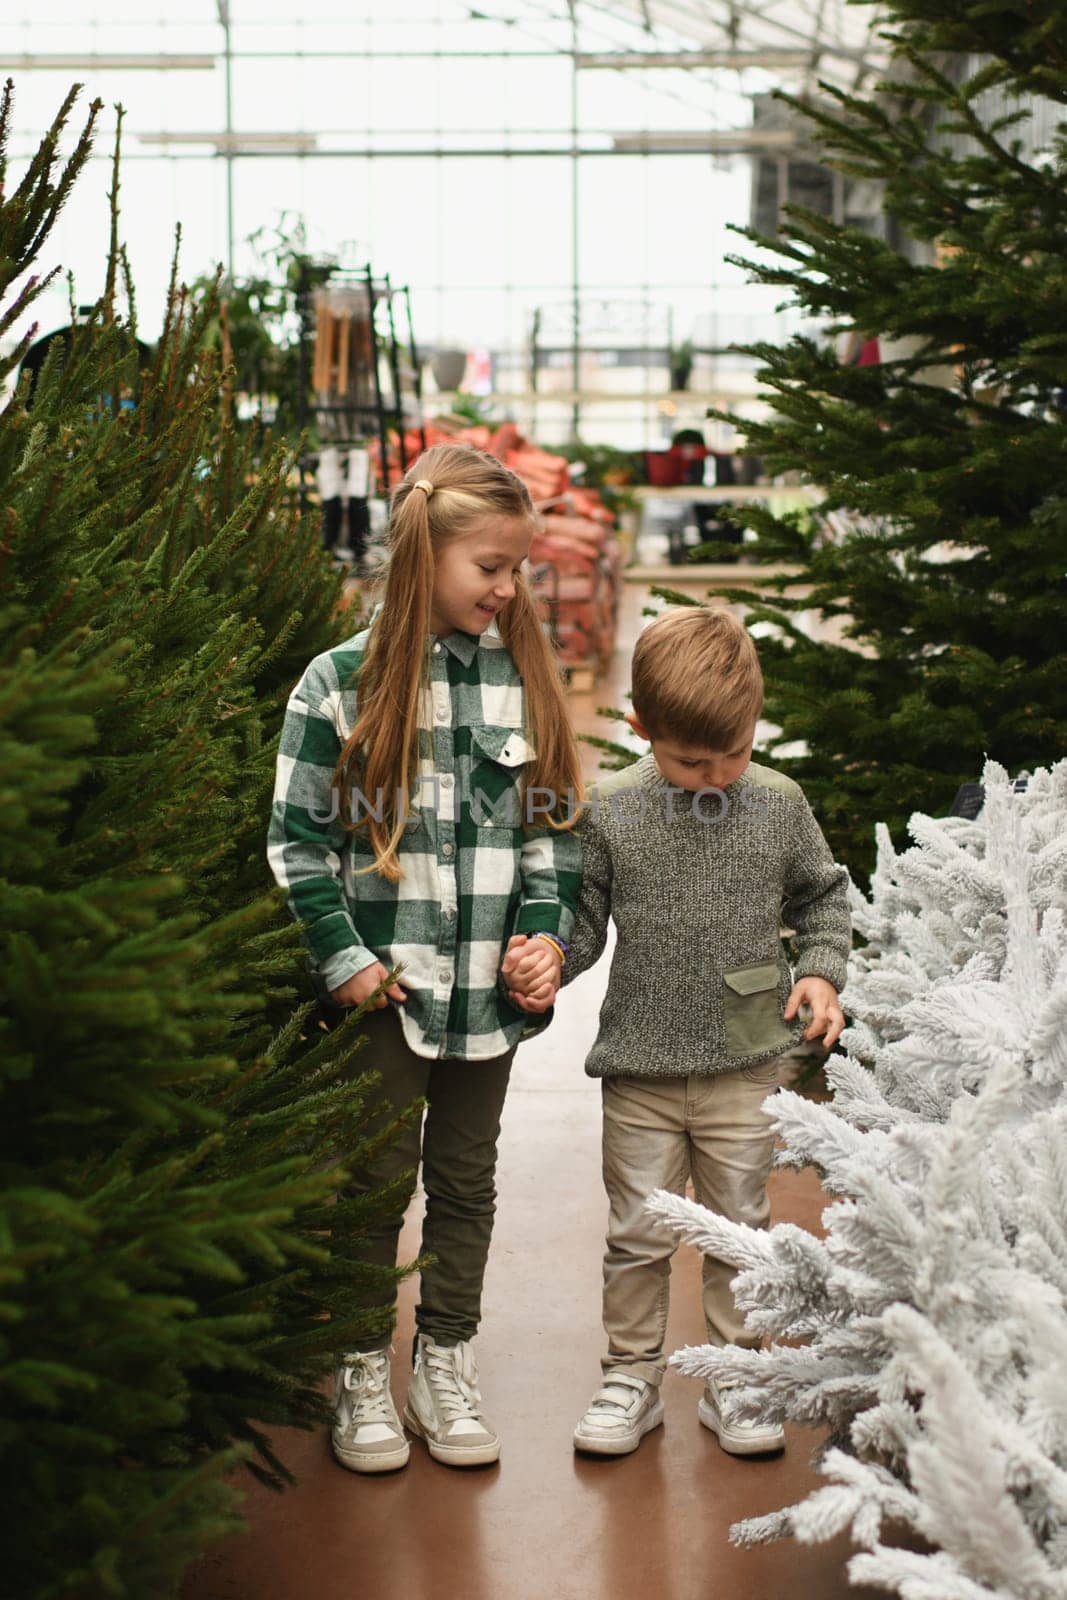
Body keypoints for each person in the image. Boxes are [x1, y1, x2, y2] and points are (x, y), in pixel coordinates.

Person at [267, 442, 583, 1474]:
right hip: (385, 994)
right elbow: (297, 839)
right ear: (423, 556)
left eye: (516, 568)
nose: (506, 587)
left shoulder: (520, 680)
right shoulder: (337, 685)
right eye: (488, 566)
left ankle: (443, 1357)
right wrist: (342, 956)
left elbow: (548, 834)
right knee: (370, 1180)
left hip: (485, 1004)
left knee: (465, 1179)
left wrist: (541, 935)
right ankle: (362, 1362)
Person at [507, 604, 850, 1458]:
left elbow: (823, 895)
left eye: (733, 752)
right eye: (689, 759)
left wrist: (819, 970)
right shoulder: (613, 810)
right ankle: (631, 1375)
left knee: (739, 1223)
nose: (714, 775)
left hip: (745, 1060)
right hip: (640, 1066)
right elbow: (583, 921)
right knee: (636, 1231)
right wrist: (549, 955)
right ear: (639, 729)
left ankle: (738, 1373)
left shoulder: (777, 803)